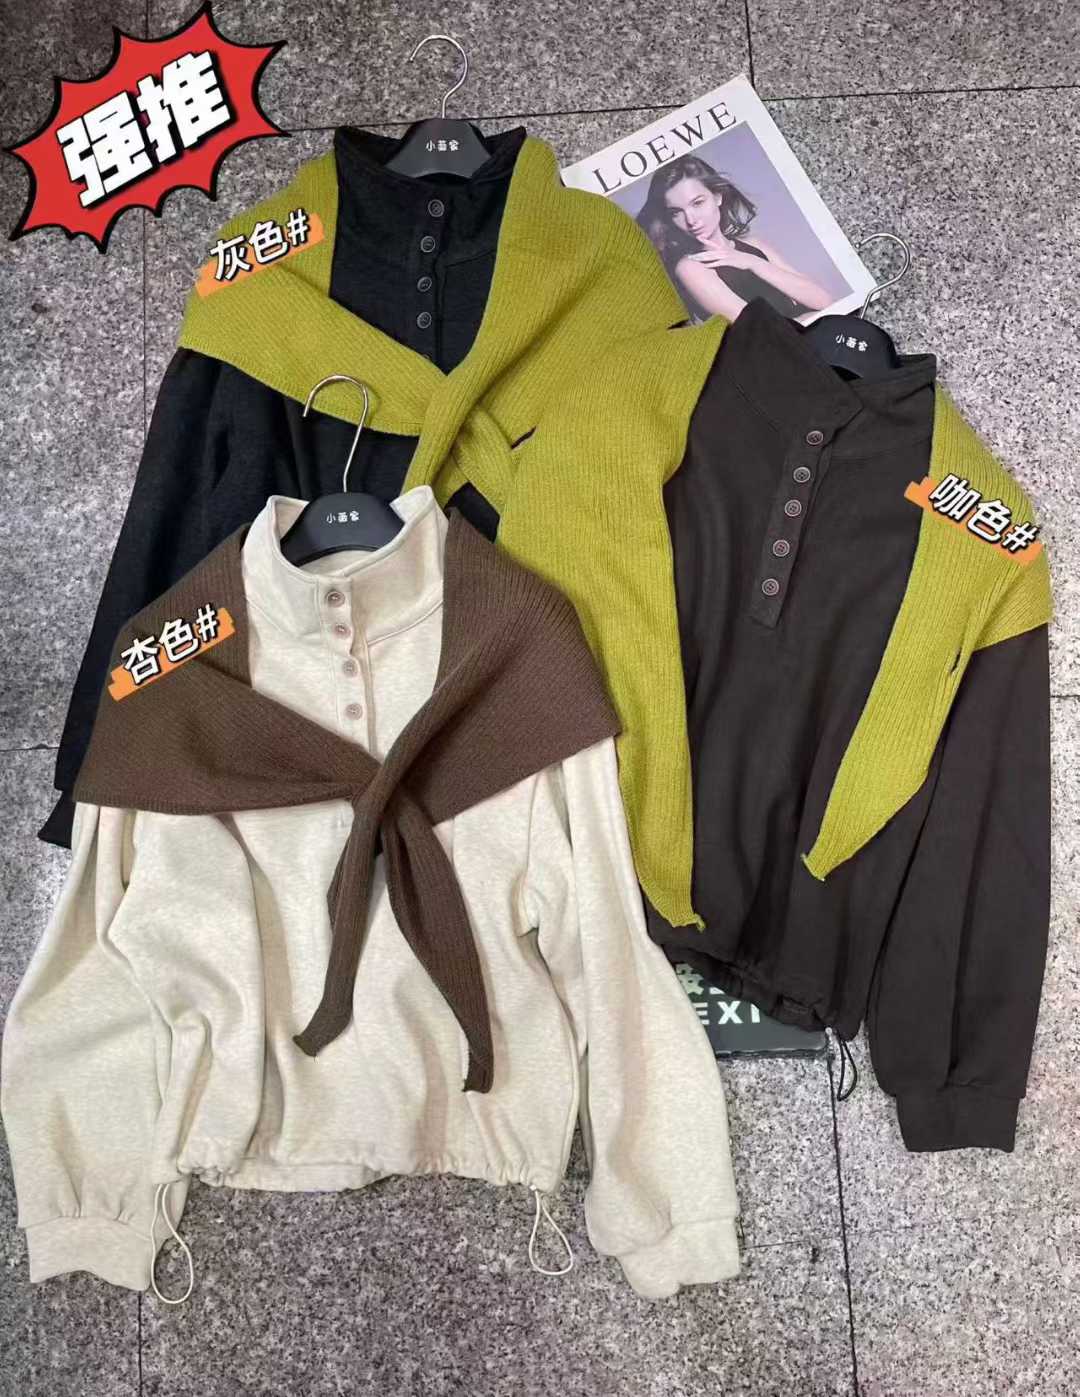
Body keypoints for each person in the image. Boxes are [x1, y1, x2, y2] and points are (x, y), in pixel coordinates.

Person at [636, 154, 835, 322]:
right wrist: (812, 318)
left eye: (697, 203)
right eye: (676, 212)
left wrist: (753, 263)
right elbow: (764, 332)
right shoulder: (690, 267)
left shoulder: (753, 245)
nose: (691, 220)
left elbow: (824, 301)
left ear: (717, 196)